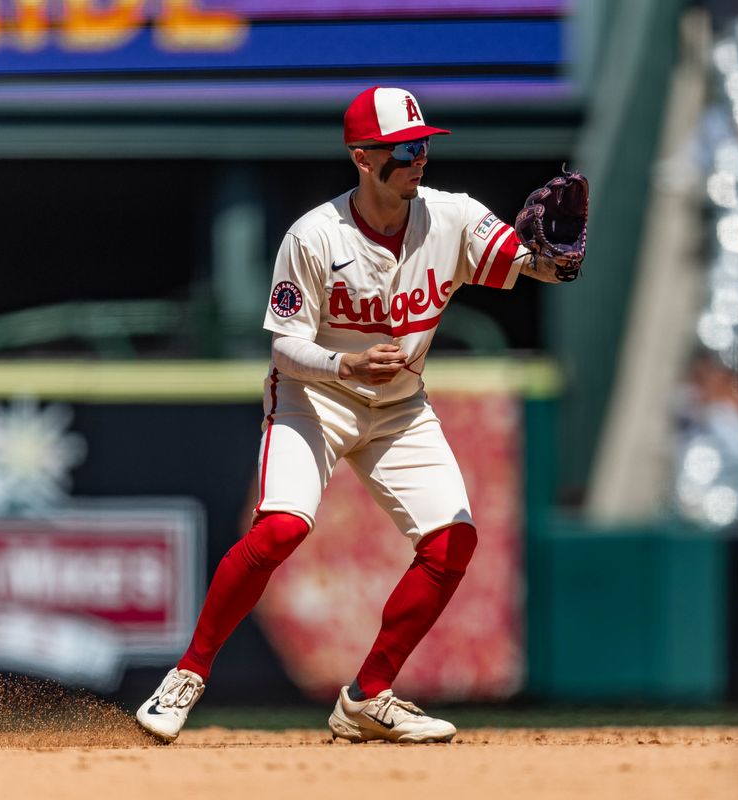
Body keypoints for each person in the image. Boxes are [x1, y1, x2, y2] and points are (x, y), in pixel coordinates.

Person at [136, 86, 580, 745]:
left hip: (398, 408)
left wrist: (559, 255)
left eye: (423, 144)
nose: (419, 157)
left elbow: (539, 268)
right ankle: (188, 676)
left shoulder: (451, 217)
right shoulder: (315, 236)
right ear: (363, 159)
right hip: (313, 401)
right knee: (282, 530)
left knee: (452, 541)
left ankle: (368, 696)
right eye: (404, 148)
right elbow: (284, 343)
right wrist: (343, 366)